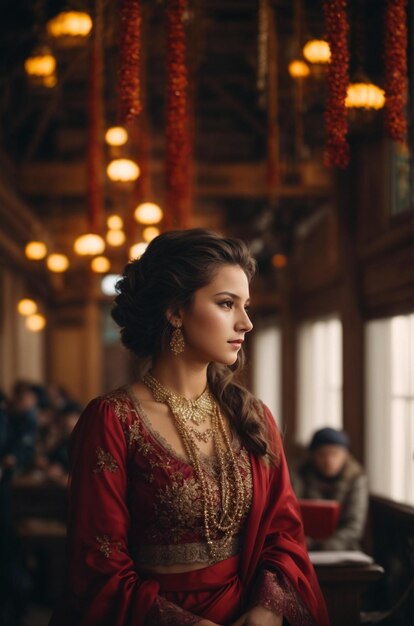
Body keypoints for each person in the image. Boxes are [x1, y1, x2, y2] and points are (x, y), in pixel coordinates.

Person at [49, 229, 330, 626]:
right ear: (175, 311)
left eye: (245, 305)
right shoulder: (113, 419)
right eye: (227, 304)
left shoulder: (252, 416)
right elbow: (98, 561)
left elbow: (283, 532)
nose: (246, 323)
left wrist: (267, 609)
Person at [290, 427, 369, 551]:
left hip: (344, 549)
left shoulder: (356, 478)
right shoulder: (298, 474)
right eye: (322, 454)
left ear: (345, 456)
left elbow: (354, 526)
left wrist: (326, 545)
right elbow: (291, 515)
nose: (329, 460)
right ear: (312, 455)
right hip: (302, 545)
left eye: (335, 454)